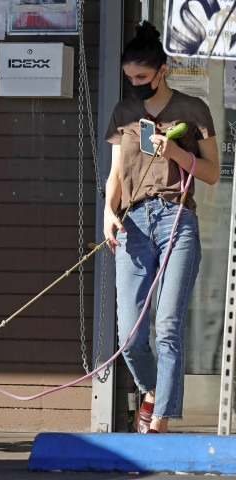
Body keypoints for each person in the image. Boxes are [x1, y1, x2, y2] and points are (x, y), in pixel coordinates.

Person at [104, 21, 219, 434]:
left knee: (168, 325)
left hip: (177, 219)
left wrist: (175, 151)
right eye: (129, 78)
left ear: (162, 71)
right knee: (130, 334)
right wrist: (107, 211)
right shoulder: (124, 113)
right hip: (133, 222)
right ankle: (152, 390)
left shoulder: (193, 110)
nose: (136, 85)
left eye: (142, 78)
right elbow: (116, 175)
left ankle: (161, 423)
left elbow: (212, 173)